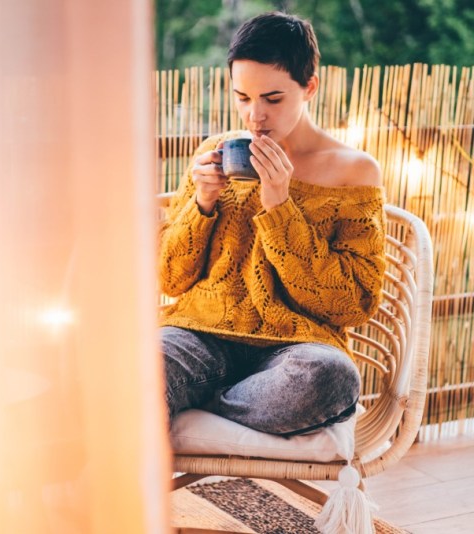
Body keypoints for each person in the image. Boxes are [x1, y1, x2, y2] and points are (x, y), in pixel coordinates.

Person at [159, 11, 386, 435]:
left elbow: (354, 304)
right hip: (201, 334)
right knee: (142, 363)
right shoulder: (217, 153)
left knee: (332, 378)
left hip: (295, 351)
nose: (255, 116)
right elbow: (170, 278)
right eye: (242, 97)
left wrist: (280, 206)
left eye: (273, 98)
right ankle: (209, 401)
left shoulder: (355, 172)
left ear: (310, 87)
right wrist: (202, 204)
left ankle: (206, 406)